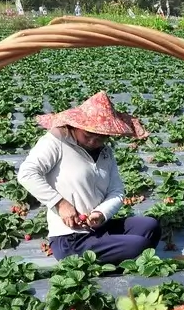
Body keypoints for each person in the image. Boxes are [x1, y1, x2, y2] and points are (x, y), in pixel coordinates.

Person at [18, 91, 160, 264]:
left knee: (149, 225)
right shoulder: (55, 142)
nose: (94, 142)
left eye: (101, 138)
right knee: (139, 245)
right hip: (70, 238)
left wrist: (101, 213)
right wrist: (60, 203)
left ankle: (129, 263)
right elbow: (27, 173)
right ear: (76, 126)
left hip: (98, 227)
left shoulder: (106, 153)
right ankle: (120, 263)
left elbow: (117, 191)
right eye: (88, 135)